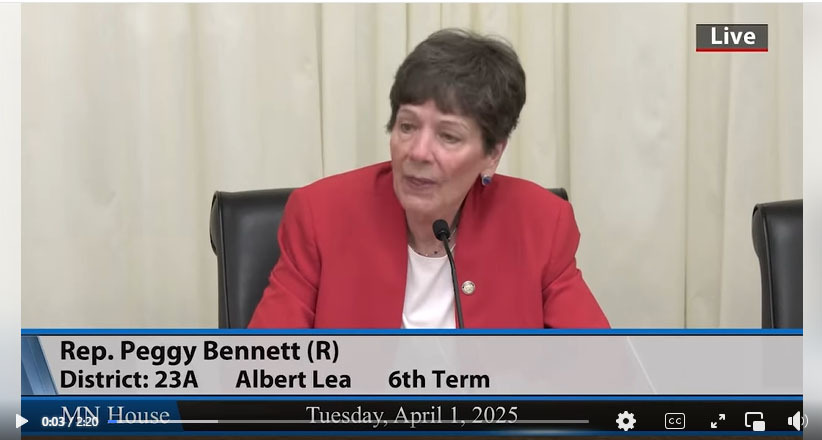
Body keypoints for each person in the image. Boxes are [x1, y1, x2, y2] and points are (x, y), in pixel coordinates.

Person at [248, 29, 609, 329]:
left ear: (492, 154)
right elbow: (263, 372)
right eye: (407, 126)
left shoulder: (541, 224)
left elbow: (601, 371)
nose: (418, 152)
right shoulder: (321, 215)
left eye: (448, 136)